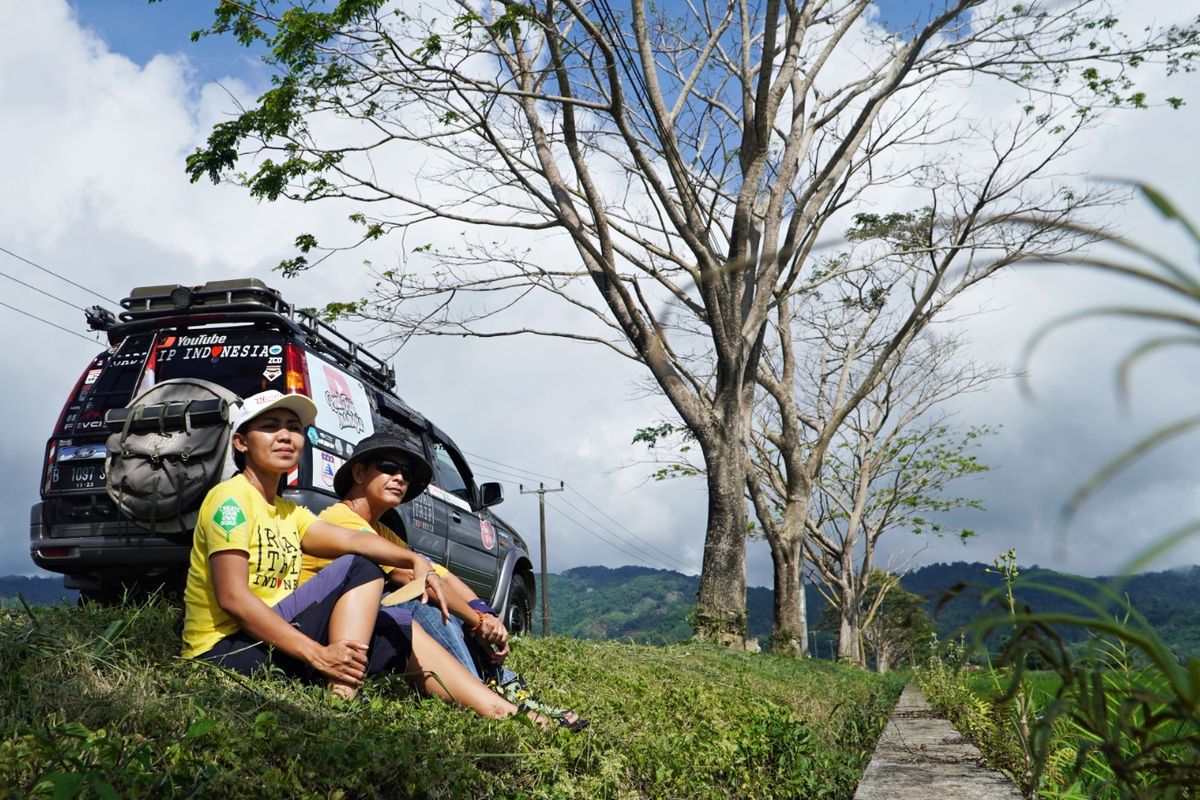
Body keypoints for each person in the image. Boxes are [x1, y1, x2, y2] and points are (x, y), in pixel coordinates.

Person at [180, 390, 551, 724]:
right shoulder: (230, 499)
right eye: (271, 427)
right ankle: (340, 703)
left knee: (402, 626)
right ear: (241, 442)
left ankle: (505, 712)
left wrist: (415, 561)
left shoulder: (289, 513)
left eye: (294, 428)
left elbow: (355, 541)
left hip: (274, 642)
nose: (285, 436)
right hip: (225, 650)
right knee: (363, 569)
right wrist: (318, 655)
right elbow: (232, 598)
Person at [300, 428, 586, 729]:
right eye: (388, 467)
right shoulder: (340, 519)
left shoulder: (384, 533)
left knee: (443, 601)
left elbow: (441, 575)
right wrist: (477, 621)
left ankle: (502, 687)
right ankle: (491, 700)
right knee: (420, 605)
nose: (400, 478)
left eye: (407, 473)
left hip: (361, 633)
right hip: (325, 634)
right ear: (358, 473)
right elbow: (416, 580)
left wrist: (483, 612)